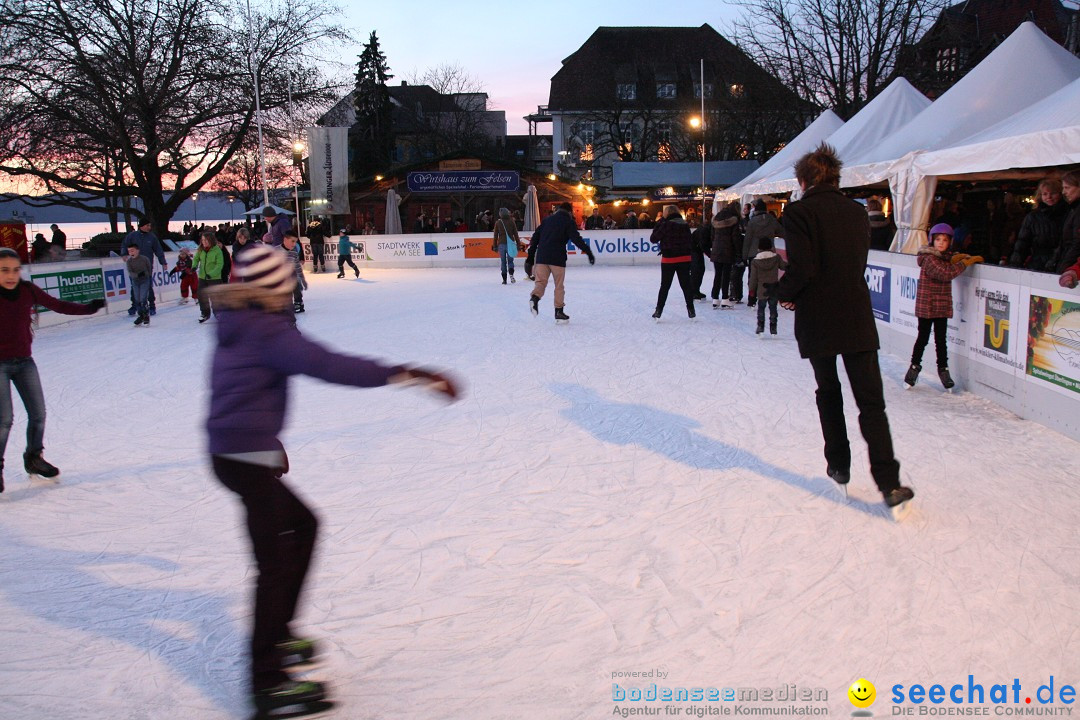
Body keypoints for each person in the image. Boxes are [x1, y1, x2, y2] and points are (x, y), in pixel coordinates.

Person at [202, 244, 459, 718]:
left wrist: (265, 444)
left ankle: (279, 634)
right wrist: (411, 374)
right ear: (276, 287)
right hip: (241, 456)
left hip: (235, 451)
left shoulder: (241, 324)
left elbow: (236, 394)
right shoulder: (265, 330)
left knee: (303, 527)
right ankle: (268, 683)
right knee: (276, 564)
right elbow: (331, 366)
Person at [776, 143, 914, 512]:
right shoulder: (856, 214)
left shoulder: (799, 212)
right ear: (835, 178)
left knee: (829, 390)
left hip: (819, 316)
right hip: (855, 314)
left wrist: (783, 292)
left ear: (804, 180)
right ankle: (889, 481)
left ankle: (839, 463)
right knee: (871, 402)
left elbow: (804, 267)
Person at [0, 247, 105, 490]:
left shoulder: (27, 290)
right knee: (4, 420)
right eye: (4, 270)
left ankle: (34, 459)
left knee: (38, 414)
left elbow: (57, 305)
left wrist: (89, 308)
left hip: (25, 361)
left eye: (15, 270)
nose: (10, 275)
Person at [904, 224, 982, 390]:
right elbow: (945, 273)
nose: (940, 243)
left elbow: (950, 261)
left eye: (945, 240)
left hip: (942, 305)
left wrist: (960, 257)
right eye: (938, 239)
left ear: (950, 242)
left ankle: (943, 370)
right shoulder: (928, 258)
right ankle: (914, 367)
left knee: (941, 339)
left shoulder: (946, 257)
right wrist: (963, 264)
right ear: (932, 240)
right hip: (927, 305)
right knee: (923, 338)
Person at [526, 201, 595, 323]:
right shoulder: (568, 222)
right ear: (569, 211)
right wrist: (588, 251)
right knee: (559, 285)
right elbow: (576, 239)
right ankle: (559, 312)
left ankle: (535, 298)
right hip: (557, 258)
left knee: (540, 282)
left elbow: (535, 237)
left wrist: (530, 257)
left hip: (542, 257)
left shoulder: (547, 220)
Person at [1009, 178, 1067, 271]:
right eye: (1045, 194)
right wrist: (1015, 265)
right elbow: (1023, 242)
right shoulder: (1033, 217)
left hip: (1064, 264)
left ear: (1060, 194)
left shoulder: (1069, 214)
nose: (1049, 197)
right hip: (1038, 264)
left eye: (1053, 193)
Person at [649, 205, 696, 321]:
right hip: (684, 258)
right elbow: (689, 240)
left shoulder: (666, 224)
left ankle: (659, 310)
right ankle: (691, 310)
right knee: (686, 286)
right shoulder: (685, 224)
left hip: (669, 259)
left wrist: (660, 222)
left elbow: (653, 238)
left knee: (665, 286)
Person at [741, 199, 784, 307]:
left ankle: (752, 298)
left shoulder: (752, 222)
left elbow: (747, 240)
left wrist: (744, 256)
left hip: (754, 253)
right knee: (769, 275)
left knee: (753, 277)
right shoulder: (772, 220)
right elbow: (782, 231)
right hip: (770, 251)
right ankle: (769, 296)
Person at [122, 218, 168, 316]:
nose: (149, 227)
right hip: (134, 267)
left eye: (150, 225)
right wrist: (124, 254)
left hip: (147, 267)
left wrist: (163, 262)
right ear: (142, 226)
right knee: (134, 287)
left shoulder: (152, 237)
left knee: (148, 287)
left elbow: (158, 250)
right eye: (147, 225)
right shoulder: (132, 236)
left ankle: (152, 305)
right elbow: (124, 244)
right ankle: (135, 305)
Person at [748, 236, 787, 336]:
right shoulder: (776, 258)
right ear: (770, 247)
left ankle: (760, 326)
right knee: (773, 308)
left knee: (761, 308)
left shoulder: (755, 261)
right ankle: (773, 327)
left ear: (759, 248)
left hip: (762, 288)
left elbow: (753, 277)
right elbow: (784, 266)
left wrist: (751, 289)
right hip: (774, 287)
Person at [709, 204, 740, 308]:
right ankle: (725, 298)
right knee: (726, 275)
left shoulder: (716, 219)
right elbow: (735, 238)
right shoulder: (734, 220)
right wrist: (738, 252)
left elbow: (712, 236)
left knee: (717, 274)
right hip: (728, 250)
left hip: (717, 250)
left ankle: (715, 298)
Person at [192, 230, 224, 323]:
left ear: (211, 240)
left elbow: (219, 265)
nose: (204, 242)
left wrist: (211, 274)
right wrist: (194, 266)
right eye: (203, 240)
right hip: (202, 277)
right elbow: (196, 258)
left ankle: (217, 312)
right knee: (201, 295)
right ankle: (205, 313)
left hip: (214, 278)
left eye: (206, 240)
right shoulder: (201, 249)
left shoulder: (217, 250)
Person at [1053, 170, 1080, 274]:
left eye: (1067, 187)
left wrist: (1064, 268)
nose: (1064, 192)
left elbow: (1077, 244)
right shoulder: (1073, 209)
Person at [124, 244, 153, 326]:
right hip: (135, 281)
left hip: (145, 280)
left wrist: (145, 274)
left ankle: (146, 315)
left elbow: (149, 269)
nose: (131, 253)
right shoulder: (129, 261)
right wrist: (137, 275)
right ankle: (141, 315)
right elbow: (130, 272)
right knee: (137, 299)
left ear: (137, 250)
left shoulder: (144, 259)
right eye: (129, 251)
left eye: (132, 250)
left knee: (143, 298)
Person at [281, 230, 308, 314]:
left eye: (295, 242)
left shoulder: (294, 252)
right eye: (292, 241)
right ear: (285, 239)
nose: (294, 244)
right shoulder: (276, 250)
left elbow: (297, 266)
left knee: (296, 286)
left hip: (292, 275)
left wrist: (302, 279)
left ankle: (298, 303)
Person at [493, 208, 520, 285]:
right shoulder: (512, 221)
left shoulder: (498, 222)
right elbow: (516, 234)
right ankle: (511, 273)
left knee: (503, 261)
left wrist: (495, 246)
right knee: (510, 260)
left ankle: (504, 279)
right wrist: (518, 244)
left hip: (501, 244)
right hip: (510, 244)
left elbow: (495, 236)